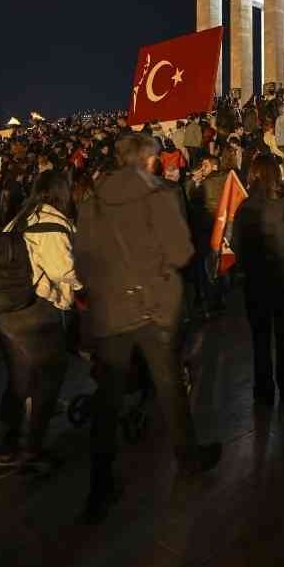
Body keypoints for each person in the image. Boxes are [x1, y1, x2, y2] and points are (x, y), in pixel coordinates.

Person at [73, 134, 221, 523]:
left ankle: (100, 484)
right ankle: (188, 458)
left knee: (108, 399)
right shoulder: (159, 196)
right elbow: (182, 253)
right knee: (169, 385)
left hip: (109, 311)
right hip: (153, 308)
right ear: (150, 160)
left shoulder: (93, 200)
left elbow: (82, 262)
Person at [0, 171, 81, 478]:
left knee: (18, 383)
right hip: (36, 312)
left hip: (6, 313)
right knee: (47, 381)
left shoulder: (18, 219)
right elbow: (63, 272)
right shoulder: (52, 223)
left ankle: (7, 450)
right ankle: (32, 450)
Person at [233, 153, 284, 407]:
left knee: (260, 339)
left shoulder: (245, 207)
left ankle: (263, 389)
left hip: (257, 283)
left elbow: (238, 247)